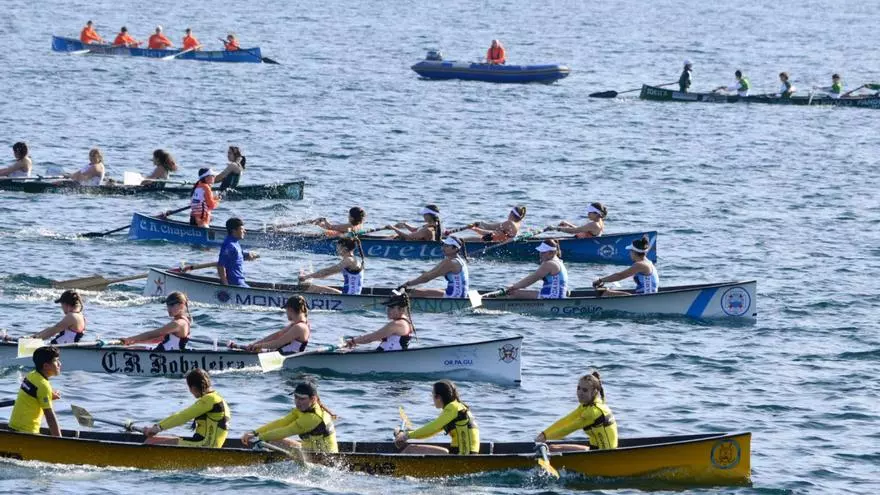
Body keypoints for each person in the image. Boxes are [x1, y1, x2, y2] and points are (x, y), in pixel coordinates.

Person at [141, 369, 230, 448]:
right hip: (207, 444)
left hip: (205, 446)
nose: (190, 391)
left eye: (189, 388)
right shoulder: (217, 398)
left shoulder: (209, 399)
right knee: (157, 439)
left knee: (150, 442)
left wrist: (157, 428)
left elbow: (183, 416)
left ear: (193, 388)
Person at [241, 382, 338, 453]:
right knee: (271, 438)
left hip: (324, 457)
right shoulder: (302, 409)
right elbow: (282, 422)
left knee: (269, 438)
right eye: (296, 397)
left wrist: (259, 437)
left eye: (302, 399)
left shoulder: (313, 417)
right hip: (308, 450)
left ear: (313, 399)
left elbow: (286, 431)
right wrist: (255, 432)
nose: (297, 402)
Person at [535, 371, 618, 452]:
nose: (580, 393)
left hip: (604, 453)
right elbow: (567, 420)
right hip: (594, 449)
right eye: (578, 388)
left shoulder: (593, 412)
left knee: (551, 449)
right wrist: (544, 433)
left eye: (585, 390)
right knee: (552, 448)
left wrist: (546, 437)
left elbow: (570, 428)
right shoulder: (587, 405)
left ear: (594, 392)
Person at [394, 380, 479, 455]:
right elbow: (431, 432)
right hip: (465, 453)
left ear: (438, 397)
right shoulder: (457, 407)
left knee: (410, 449)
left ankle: (394, 467)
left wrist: (406, 436)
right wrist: (408, 434)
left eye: (432, 394)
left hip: (462, 454)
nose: (432, 398)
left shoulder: (452, 408)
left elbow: (432, 428)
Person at [9, 346, 62, 437]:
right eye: (56, 361)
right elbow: (50, 417)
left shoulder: (31, 375)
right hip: (27, 433)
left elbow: (33, 394)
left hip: (14, 426)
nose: (59, 364)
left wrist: (49, 395)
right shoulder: (43, 385)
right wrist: (59, 441)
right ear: (46, 366)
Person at [231, 296, 311, 353]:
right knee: (254, 349)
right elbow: (277, 335)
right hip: (279, 353)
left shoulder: (300, 327)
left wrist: (259, 346)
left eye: (286, 310)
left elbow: (278, 343)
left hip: (286, 357)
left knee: (258, 349)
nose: (286, 313)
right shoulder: (295, 324)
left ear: (290, 310)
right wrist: (255, 344)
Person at [399, 236, 469, 298]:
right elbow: (429, 273)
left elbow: (427, 278)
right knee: (421, 290)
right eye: (443, 245)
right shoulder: (453, 260)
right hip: (457, 293)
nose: (443, 248)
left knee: (413, 292)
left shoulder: (452, 262)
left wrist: (408, 284)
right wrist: (411, 283)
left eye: (447, 246)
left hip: (455, 296)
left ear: (455, 249)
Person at [121, 291, 191, 350]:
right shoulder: (183, 321)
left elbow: (153, 334)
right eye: (168, 305)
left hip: (164, 356)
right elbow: (157, 339)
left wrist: (130, 339)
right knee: (129, 348)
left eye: (172, 305)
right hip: (160, 352)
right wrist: (133, 342)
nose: (168, 309)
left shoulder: (178, 323)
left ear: (181, 305)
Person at [344, 292, 413, 351]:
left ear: (402, 310)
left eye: (392, 308)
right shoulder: (406, 322)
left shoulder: (397, 324)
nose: (388, 310)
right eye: (388, 307)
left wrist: (353, 341)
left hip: (386, 357)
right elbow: (379, 337)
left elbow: (372, 337)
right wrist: (358, 340)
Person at [500, 239, 568, 299]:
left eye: (543, 252)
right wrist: (518, 286)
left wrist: (512, 287)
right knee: (520, 290)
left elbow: (531, 279)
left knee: (512, 293)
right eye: (540, 251)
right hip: (556, 296)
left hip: (551, 297)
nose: (540, 254)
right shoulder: (559, 262)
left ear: (552, 253)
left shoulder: (549, 264)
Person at [592, 235, 658, 296]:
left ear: (633, 252)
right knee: (610, 291)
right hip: (645, 296)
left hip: (645, 298)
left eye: (630, 251)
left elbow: (620, 275)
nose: (629, 254)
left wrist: (600, 280)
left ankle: (603, 295)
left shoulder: (640, 265)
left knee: (607, 293)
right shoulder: (648, 262)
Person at [299, 238, 364, 295]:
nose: (337, 249)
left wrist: (307, 277)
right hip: (348, 294)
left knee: (309, 288)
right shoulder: (354, 260)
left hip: (349, 296)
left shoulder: (349, 260)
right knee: (311, 287)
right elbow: (325, 275)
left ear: (344, 249)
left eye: (338, 247)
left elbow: (328, 272)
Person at [217, 217, 258, 287]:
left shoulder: (235, 242)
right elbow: (221, 266)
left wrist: (247, 255)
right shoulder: (229, 245)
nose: (245, 231)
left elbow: (235, 257)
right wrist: (226, 286)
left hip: (240, 282)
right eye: (242, 229)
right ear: (234, 231)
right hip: (235, 284)